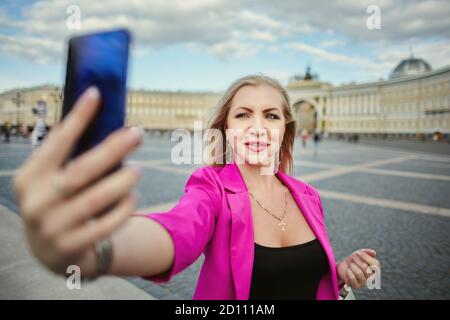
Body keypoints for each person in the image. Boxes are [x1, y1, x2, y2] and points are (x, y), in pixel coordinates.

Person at [13, 75, 380, 300]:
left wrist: (340, 273)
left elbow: (299, 276)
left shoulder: (308, 196)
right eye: (243, 114)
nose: (257, 126)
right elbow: (177, 231)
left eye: (270, 115)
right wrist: (94, 248)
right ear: (226, 130)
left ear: (285, 128)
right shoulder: (211, 188)